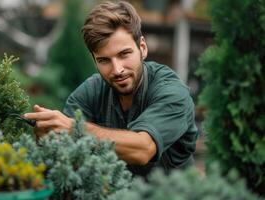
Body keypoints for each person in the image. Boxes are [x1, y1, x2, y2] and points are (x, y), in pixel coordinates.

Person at [23, 1, 198, 177]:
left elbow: (143, 149)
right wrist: (49, 136)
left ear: (142, 48)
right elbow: (65, 154)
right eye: (104, 60)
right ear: (95, 60)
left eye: (124, 54)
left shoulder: (172, 92)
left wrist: (75, 129)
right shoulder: (91, 91)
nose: (117, 70)